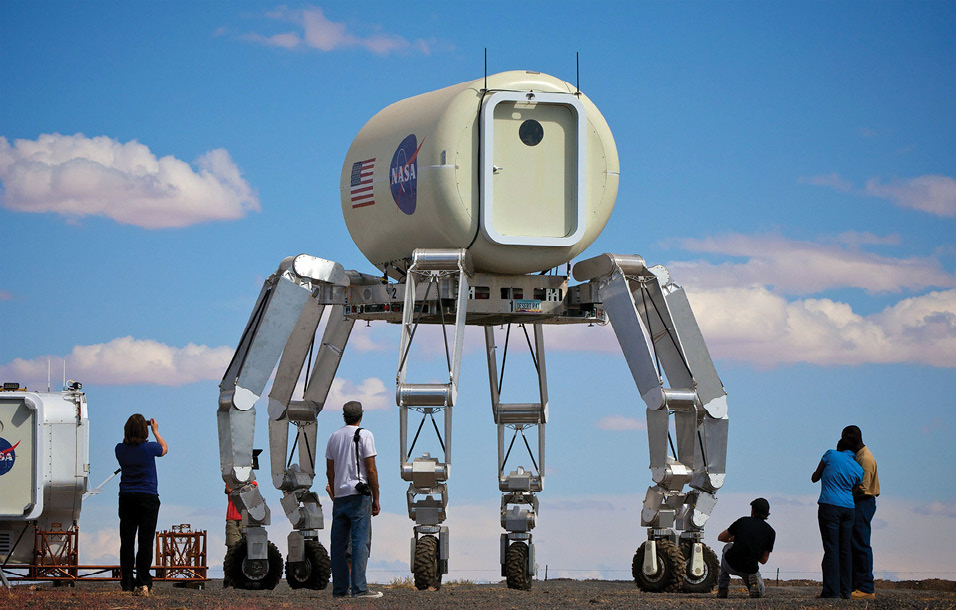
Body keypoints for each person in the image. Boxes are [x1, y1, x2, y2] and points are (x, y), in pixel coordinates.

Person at [325, 401, 382, 599]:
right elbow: (371, 469)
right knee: (359, 542)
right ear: (361, 415)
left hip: (340, 496)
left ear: (343, 416)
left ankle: (339, 589)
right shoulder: (366, 435)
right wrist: (376, 497)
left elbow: (329, 471)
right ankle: (359, 588)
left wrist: (335, 491)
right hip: (359, 496)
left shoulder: (333, 437)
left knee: (337, 544)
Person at [115, 414, 167, 597]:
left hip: (126, 496)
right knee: (145, 541)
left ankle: (127, 581)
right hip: (148, 496)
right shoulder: (149, 448)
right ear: (144, 431)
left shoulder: (120, 449)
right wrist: (155, 431)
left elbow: (126, 444)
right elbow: (164, 448)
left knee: (127, 541)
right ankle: (143, 581)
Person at [812, 438, 863, 599]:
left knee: (831, 548)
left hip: (829, 506)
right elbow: (855, 489)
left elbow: (815, 477)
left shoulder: (830, 455)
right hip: (849, 508)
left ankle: (831, 591)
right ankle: (846, 590)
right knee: (845, 549)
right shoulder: (858, 468)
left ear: (839, 447)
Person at [842, 425, 879, 600]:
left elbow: (862, 488)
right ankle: (856, 584)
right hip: (859, 501)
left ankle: (866, 587)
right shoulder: (859, 456)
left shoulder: (865, 459)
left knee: (861, 542)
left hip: (863, 502)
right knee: (854, 542)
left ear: (851, 438)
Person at [715, 497, 776, 598]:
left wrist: (737, 539)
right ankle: (754, 585)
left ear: (752, 510)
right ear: (767, 513)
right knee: (761, 592)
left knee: (727, 547)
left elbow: (721, 537)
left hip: (731, 564)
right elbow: (764, 560)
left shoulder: (742, 521)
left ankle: (723, 587)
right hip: (749, 569)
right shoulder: (771, 532)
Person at [223, 480, 257, 588]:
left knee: (247, 548)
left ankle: (244, 577)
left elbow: (253, 495)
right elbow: (228, 490)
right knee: (232, 548)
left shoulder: (253, 483)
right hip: (233, 519)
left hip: (246, 519)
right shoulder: (230, 480)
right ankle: (229, 577)